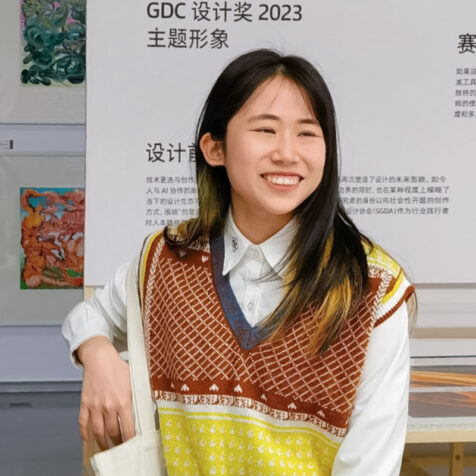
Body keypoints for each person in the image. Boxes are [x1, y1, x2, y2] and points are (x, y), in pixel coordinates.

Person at [63, 49, 416, 475]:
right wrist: (98, 355)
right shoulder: (166, 257)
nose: (288, 153)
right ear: (215, 148)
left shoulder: (372, 287)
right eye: (266, 130)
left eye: (307, 134)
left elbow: (368, 466)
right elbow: (92, 316)